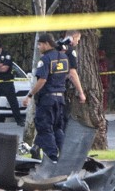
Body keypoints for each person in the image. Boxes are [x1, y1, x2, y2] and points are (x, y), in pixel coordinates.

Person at [22, 33, 78, 162]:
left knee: (45, 128)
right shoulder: (64, 57)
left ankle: (52, 157)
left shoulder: (46, 59)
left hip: (47, 99)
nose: (38, 47)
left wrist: (29, 95)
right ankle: (66, 156)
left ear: (47, 43)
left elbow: (42, 80)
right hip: (60, 98)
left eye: (40, 44)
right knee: (58, 128)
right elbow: (67, 75)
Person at [0, 37, 26, 127]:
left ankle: (19, 121)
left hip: (7, 82)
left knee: (13, 102)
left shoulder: (6, 55)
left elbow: (4, 69)